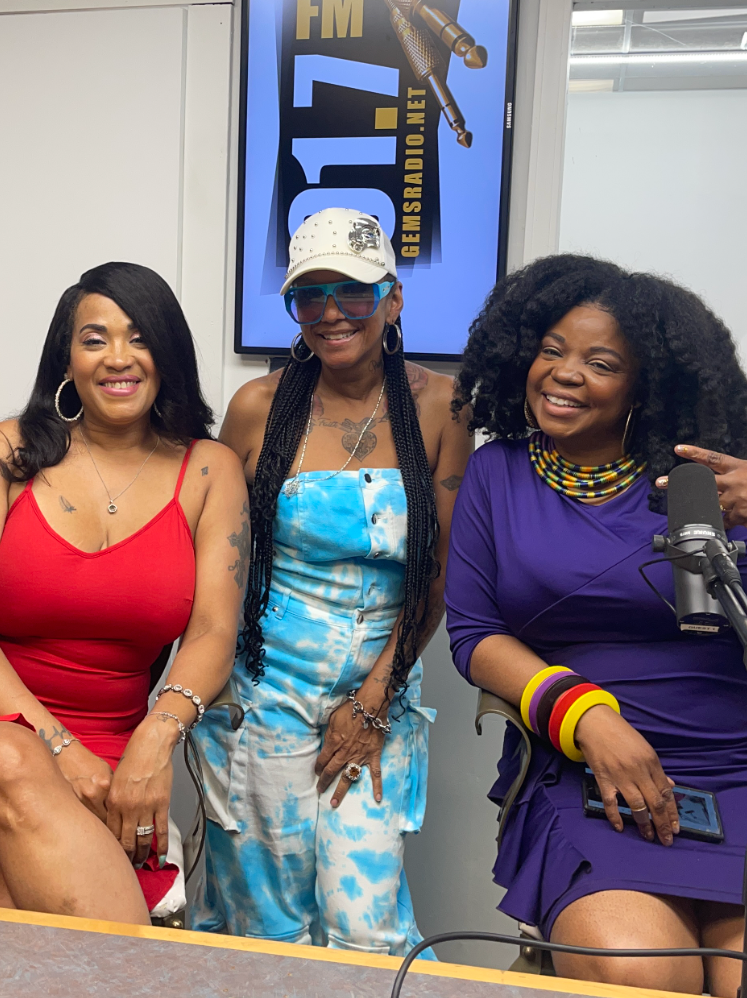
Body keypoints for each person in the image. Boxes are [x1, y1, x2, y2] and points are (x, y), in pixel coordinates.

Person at [444, 253, 747, 997]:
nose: (564, 373)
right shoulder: (498, 473)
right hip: (589, 770)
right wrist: (586, 717)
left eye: (600, 363)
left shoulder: (711, 483)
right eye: (551, 350)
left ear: (645, 386)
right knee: (640, 974)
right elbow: (475, 634)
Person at [0, 262, 245, 924]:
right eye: (94, 339)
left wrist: (156, 737)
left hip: (113, 747)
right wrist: (57, 747)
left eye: (139, 337)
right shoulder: (5, 450)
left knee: (31, 912)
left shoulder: (209, 470)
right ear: (67, 360)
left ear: (167, 353)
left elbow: (215, 631)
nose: (118, 357)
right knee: (11, 758)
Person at [191, 209, 472, 955]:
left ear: (393, 298)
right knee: (267, 924)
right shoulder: (258, 407)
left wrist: (374, 701)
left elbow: (438, 573)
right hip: (264, 690)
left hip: (381, 684)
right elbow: (215, 552)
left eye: (352, 291)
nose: (331, 313)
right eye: (309, 296)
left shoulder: (442, 407)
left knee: (361, 922)